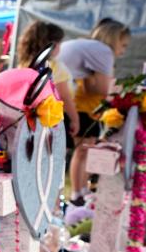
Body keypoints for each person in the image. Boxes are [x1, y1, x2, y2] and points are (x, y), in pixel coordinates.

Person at [59, 18, 131, 201]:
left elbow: (97, 87)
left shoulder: (90, 50)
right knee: (82, 150)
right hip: (80, 108)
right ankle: (76, 192)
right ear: (113, 39)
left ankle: (82, 189)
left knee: (87, 150)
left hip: (84, 108)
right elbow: (102, 90)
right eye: (123, 46)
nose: (123, 52)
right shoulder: (102, 51)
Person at [17, 21, 79, 136]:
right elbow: (64, 96)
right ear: (54, 45)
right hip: (53, 118)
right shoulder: (55, 66)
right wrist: (75, 119)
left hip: (29, 118)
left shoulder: (25, 64)